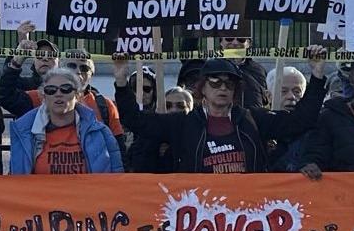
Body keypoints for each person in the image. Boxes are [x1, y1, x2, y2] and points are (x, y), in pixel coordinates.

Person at [117, 53, 326, 174]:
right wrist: (121, 83)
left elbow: (301, 121)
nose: (222, 88)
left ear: (236, 90)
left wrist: (316, 77)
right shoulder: (183, 123)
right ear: (202, 88)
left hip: (248, 216)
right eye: (215, 81)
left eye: (229, 83)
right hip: (200, 221)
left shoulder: (253, 119)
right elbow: (135, 120)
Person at [8, 66, 122, 174]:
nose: (58, 94)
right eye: (51, 90)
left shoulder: (101, 132)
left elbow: (115, 178)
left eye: (65, 89)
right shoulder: (25, 133)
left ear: (77, 95)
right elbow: (15, 179)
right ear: (43, 97)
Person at [0, 47, 121, 134]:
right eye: (72, 66)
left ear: (91, 74)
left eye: (84, 68)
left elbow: (117, 148)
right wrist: (16, 63)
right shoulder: (41, 97)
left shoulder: (105, 105)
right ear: (61, 69)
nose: (78, 71)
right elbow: (4, 96)